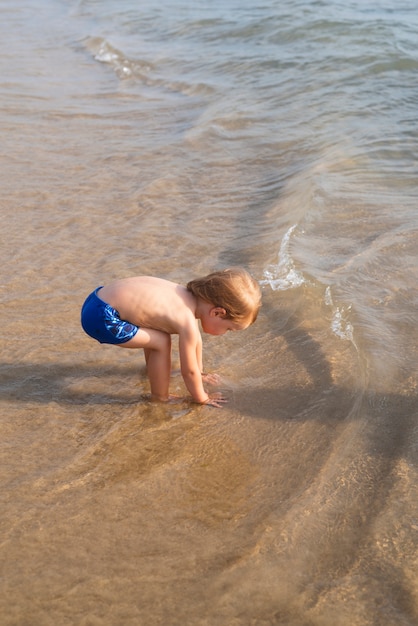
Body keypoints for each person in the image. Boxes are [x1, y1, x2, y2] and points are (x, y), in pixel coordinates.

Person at [81, 268, 261, 407]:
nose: (225, 333)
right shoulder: (187, 321)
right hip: (102, 318)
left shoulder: (184, 296)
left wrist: (200, 374)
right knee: (161, 341)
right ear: (217, 312)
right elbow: (187, 371)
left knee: (156, 334)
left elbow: (195, 343)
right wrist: (201, 398)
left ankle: (155, 371)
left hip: (96, 299)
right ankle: (160, 397)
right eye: (228, 329)